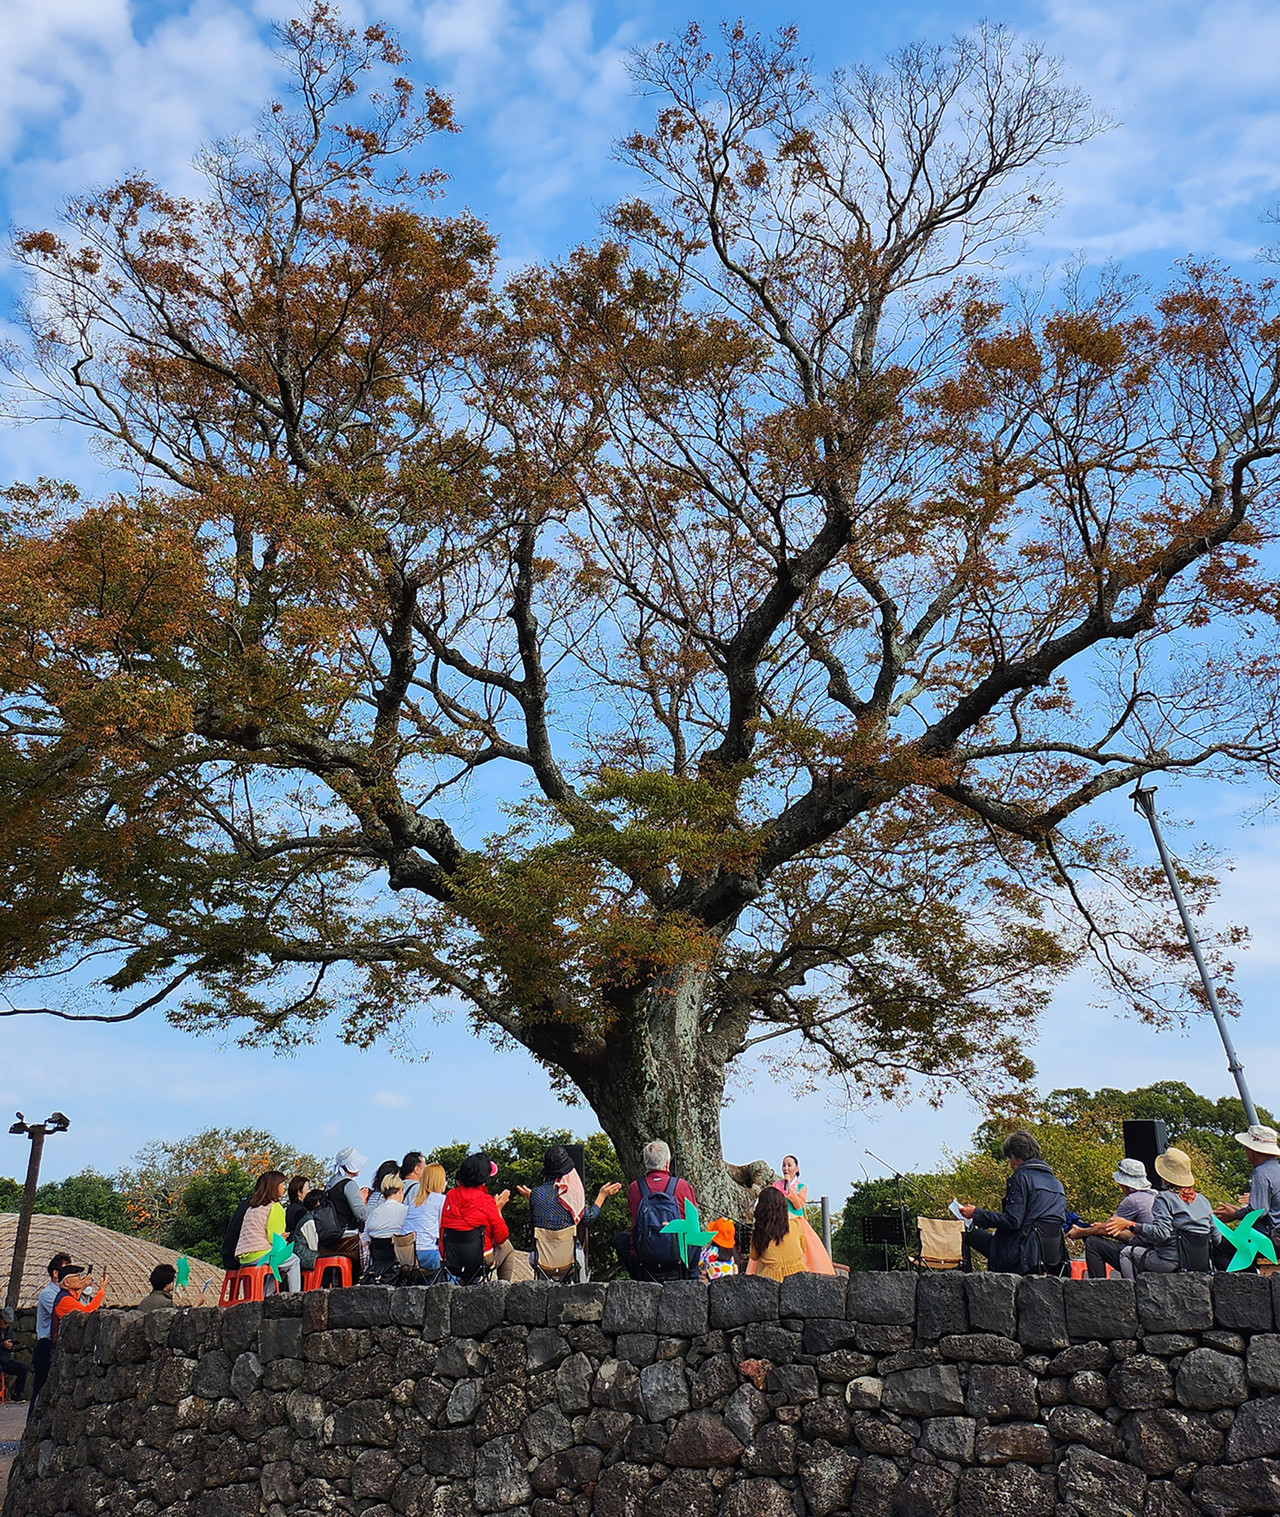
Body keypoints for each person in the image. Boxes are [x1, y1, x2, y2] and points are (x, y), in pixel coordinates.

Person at [958, 1131, 1067, 1274]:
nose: (1010, 1164)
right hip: (1053, 1257)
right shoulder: (1057, 1184)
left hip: (1021, 1254)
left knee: (968, 1233)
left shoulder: (1021, 1178)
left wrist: (976, 1214)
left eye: (1009, 1159)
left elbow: (1013, 1220)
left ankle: (966, 1282)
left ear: (1016, 1157)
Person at [516, 1145, 622, 1273]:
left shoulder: (536, 1194)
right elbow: (587, 1218)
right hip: (570, 1260)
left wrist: (535, 1199)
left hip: (541, 1261)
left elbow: (534, 1225)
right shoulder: (571, 1195)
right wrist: (602, 1195)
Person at [1114, 1147, 1215, 1278]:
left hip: (1169, 1262)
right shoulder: (1204, 1201)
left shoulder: (1164, 1198)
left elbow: (1162, 1234)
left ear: (1165, 1178)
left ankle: (1131, 1295)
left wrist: (1131, 1225)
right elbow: (1216, 1238)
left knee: (1127, 1253)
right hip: (1201, 1264)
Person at [440, 1152, 534, 1282]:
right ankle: (504, 1288)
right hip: (479, 1262)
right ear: (484, 1178)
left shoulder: (450, 1196)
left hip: (451, 1261)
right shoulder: (486, 1201)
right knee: (508, 1247)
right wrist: (498, 1208)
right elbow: (501, 1237)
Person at [615, 1140, 699, 1280]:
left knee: (620, 1240)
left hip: (645, 1259)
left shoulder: (635, 1187)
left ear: (645, 1162)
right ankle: (691, 1277)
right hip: (677, 1259)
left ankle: (637, 1278)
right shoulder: (682, 1186)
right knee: (696, 1234)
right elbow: (692, 1226)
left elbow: (634, 1226)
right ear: (667, 1162)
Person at [1066, 1156, 1158, 1278]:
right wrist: (1101, 1226)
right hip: (1154, 1253)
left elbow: (1108, 1229)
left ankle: (1099, 1287)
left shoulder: (1133, 1200)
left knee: (1093, 1242)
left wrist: (1081, 1232)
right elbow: (1131, 1233)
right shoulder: (1154, 1196)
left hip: (1142, 1256)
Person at [235, 1170, 301, 1292]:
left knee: (280, 1264)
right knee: (293, 1261)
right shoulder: (275, 1207)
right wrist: (284, 1239)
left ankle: (264, 1296)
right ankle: (295, 1297)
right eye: (282, 1184)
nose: (284, 1188)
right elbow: (274, 1239)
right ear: (275, 1187)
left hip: (244, 1257)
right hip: (260, 1254)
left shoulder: (251, 1208)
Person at [1214, 1123, 1280, 1241]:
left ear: (1252, 1149)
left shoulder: (1261, 1173)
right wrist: (1239, 1210)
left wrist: (1234, 1214)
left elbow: (1259, 1211)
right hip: (1276, 1236)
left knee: (1219, 1248)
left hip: (1268, 1239)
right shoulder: (1277, 1170)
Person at [773, 1155, 836, 1275]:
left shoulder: (802, 1187)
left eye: (789, 1165)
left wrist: (789, 1189)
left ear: (796, 1168)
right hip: (779, 1222)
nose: (786, 1168)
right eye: (784, 1165)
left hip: (797, 1222)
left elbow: (799, 1205)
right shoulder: (776, 1185)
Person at [317, 1147, 369, 1282]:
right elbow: (362, 1214)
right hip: (345, 1241)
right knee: (373, 1245)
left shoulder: (330, 1184)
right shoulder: (349, 1184)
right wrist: (380, 1205)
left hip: (326, 1243)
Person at [31, 1251, 71, 1412]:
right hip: (47, 1344)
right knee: (40, 1390)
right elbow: (66, 1313)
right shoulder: (49, 1294)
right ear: (55, 1273)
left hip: (58, 1344)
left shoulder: (66, 1295)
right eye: (66, 1271)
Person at [748, 1186, 808, 1281]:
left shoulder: (759, 1231)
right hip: (798, 1275)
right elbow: (803, 1248)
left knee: (761, 1262)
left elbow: (753, 1256)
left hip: (770, 1277)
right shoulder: (796, 1224)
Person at [50, 1263, 108, 1346]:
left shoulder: (68, 1296)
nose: (81, 1279)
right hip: (61, 1347)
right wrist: (101, 1291)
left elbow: (77, 1296)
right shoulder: (65, 1300)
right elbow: (88, 1311)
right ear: (66, 1282)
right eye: (78, 1276)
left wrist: (82, 1286)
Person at [405, 1162, 447, 1270]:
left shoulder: (414, 1200)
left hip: (407, 1254)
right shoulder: (440, 1199)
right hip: (427, 1252)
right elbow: (445, 1226)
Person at [0, 1308, 28, 1400]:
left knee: (23, 1368)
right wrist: (3, 1345)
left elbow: (11, 1345)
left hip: (5, 1360)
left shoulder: (9, 1330)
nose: (6, 1325)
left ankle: (17, 1394)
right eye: (5, 1323)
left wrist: (10, 1346)